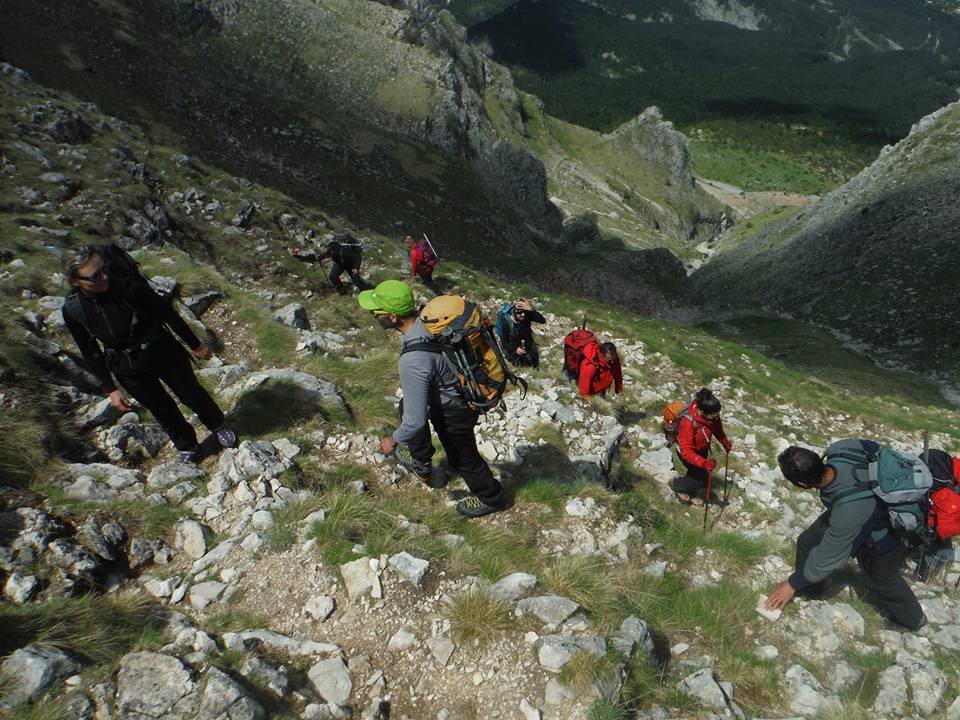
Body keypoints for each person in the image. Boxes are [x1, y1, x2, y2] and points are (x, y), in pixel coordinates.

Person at [61, 245, 237, 464]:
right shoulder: (73, 310)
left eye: (103, 268)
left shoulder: (127, 286)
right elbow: (89, 350)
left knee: (191, 393)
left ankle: (218, 424)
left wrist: (195, 344)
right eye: (95, 276)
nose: (104, 276)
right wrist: (110, 389)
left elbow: (166, 313)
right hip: (127, 366)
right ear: (74, 282)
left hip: (162, 349)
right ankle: (188, 446)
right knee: (161, 409)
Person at [358, 280, 509, 518]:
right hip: (453, 391)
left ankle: (493, 498)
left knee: (464, 460)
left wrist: (393, 440)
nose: (372, 315)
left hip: (454, 411)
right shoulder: (430, 321)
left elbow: (415, 422)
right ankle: (421, 463)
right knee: (406, 404)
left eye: (376, 312)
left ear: (393, 318)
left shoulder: (411, 361)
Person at [764, 441, 926, 631]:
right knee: (808, 541)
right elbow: (872, 446)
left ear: (801, 484)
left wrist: (791, 583)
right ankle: (811, 590)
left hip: (885, 532)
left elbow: (828, 556)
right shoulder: (840, 449)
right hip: (852, 510)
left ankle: (914, 619)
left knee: (882, 580)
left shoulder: (847, 512)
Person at [669, 387, 731, 506]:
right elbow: (687, 452)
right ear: (702, 412)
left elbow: (717, 429)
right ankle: (676, 484)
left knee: (697, 473)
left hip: (702, 448)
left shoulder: (712, 416)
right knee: (703, 478)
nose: (716, 417)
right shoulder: (688, 422)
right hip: (686, 452)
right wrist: (704, 463)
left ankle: (689, 491)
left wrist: (725, 442)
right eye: (714, 415)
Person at [290, 232, 371, 294]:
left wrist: (356, 268)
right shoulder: (327, 251)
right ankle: (342, 292)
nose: (327, 257)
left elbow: (357, 257)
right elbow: (316, 258)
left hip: (351, 264)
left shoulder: (343, 251)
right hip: (340, 264)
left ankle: (367, 291)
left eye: (327, 256)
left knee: (356, 280)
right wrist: (300, 257)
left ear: (331, 253)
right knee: (333, 277)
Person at [495, 299, 545, 368]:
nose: (523, 315)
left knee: (534, 365)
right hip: (514, 352)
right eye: (520, 313)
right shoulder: (506, 322)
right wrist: (515, 349)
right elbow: (504, 341)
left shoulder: (526, 316)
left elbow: (542, 320)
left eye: (524, 312)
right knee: (520, 367)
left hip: (529, 348)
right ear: (513, 312)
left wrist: (530, 309)